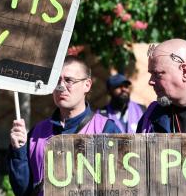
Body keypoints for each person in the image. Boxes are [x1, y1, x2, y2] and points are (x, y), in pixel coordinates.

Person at [7, 56, 120, 196]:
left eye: (68, 80)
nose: (61, 87)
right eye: (56, 81)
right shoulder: (37, 133)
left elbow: (120, 187)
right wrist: (19, 151)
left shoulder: (106, 130)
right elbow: (23, 190)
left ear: (87, 85)